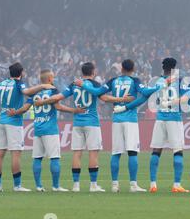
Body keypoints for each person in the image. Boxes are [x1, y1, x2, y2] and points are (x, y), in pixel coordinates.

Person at [35, 62, 132, 192]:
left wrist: (42, 102)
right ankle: (93, 185)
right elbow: (105, 98)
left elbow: (58, 97)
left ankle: (76, 185)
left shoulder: (74, 84)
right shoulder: (95, 85)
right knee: (93, 153)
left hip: (77, 123)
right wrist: (121, 99)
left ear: (82, 72)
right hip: (92, 122)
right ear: (93, 72)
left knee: (77, 153)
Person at [75, 59, 166, 193]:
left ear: (121, 68)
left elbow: (98, 92)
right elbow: (146, 93)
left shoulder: (113, 81)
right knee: (132, 152)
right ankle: (133, 185)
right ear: (133, 69)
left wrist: (84, 85)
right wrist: (159, 86)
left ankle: (114, 185)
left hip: (116, 119)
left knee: (116, 153)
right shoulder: (135, 81)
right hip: (130, 119)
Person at [6, 69, 85, 192]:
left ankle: (38, 186)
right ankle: (56, 186)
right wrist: (74, 110)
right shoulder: (53, 90)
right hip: (50, 129)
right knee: (54, 158)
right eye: (52, 78)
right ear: (49, 79)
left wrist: (14, 112)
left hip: (37, 128)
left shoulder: (34, 93)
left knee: (37, 158)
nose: (53, 80)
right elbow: (58, 106)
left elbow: (25, 108)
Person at [0, 62, 55, 192]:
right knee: (16, 154)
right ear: (21, 72)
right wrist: (41, 86)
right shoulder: (19, 84)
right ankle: (17, 186)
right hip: (13, 122)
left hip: (2, 121)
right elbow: (26, 92)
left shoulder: (1, 84)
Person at [148, 58, 190, 193]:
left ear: (163, 68)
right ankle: (176, 184)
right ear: (174, 67)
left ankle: (153, 184)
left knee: (156, 151)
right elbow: (185, 99)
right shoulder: (180, 80)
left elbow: (154, 98)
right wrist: (172, 102)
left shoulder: (158, 81)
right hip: (174, 118)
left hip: (160, 118)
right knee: (177, 151)